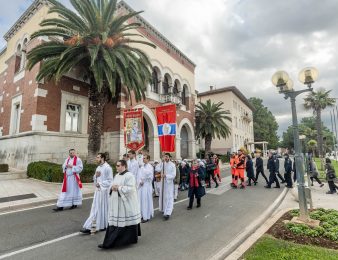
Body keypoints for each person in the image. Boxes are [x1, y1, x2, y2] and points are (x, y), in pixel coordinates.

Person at [99, 160, 141, 249]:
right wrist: (112, 188)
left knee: (124, 223)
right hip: (117, 203)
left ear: (124, 166)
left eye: (118, 166)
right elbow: (112, 185)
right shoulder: (117, 175)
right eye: (116, 165)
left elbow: (131, 189)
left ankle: (111, 243)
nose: (116, 167)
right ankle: (109, 242)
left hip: (125, 204)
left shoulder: (129, 176)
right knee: (115, 223)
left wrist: (118, 188)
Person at [81, 153, 113, 234]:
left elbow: (110, 180)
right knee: (96, 208)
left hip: (104, 192)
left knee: (101, 209)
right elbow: (95, 178)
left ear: (102, 158)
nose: (96, 159)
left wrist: (101, 184)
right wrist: (96, 177)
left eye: (98, 157)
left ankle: (93, 227)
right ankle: (99, 225)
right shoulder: (98, 167)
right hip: (98, 191)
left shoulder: (108, 168)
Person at [159, 153, 176, 220]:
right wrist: (161, 162)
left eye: (166, 157)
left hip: (168, 183)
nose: (165, 158)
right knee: (163, 197)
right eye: (164, 157)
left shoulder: (172, 165)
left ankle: (168, 213)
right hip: (163, 183)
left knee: (169, 197)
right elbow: (157, 169)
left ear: (169, 157)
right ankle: (164, 209)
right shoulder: (163, 164)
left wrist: (166, 176)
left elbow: (173, 175)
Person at [138, 155, 154, 223]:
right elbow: (139, 175)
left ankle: (146, 216)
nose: (143, 159)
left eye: (144, 158)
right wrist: (140, 181)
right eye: (143, 158)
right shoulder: (143, 166)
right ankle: (141, 215)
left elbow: (150, 176)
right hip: (141, 185)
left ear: (148, 159)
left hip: (147, 186)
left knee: (145, 201)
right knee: (141, 201)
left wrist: (143, 180)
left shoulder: (150, 167)